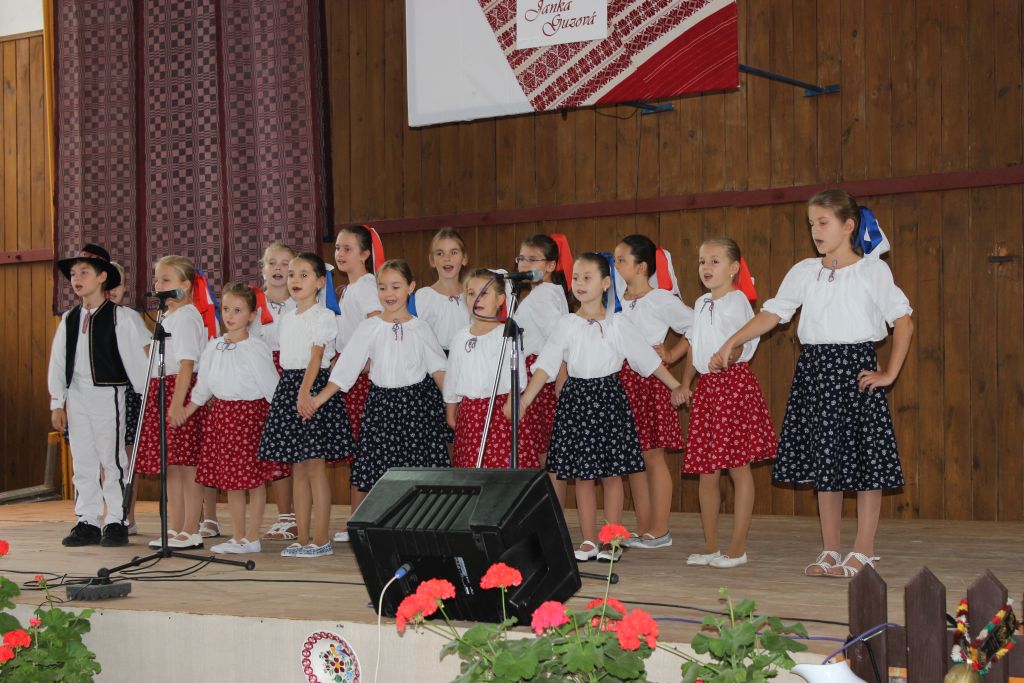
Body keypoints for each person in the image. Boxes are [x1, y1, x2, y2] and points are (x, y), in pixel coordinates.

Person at [712, 189, 913, 578]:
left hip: (856, 371)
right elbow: (774, 313)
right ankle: (831, 549)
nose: (815, 231)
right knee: (826, 462)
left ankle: (864, 550)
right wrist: (732, 340)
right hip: (816, 372)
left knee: (866, 462)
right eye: (811, 224)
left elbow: (903, 321)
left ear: (848, 226)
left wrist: (889, 373)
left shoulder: (872, 271)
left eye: (823, 222)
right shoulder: (804, 271)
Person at [511, 253, 683, 563]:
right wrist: (524, 399)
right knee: (583, 476)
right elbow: (546, 364)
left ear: (605, 283)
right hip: (576, 402)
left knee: (612, 475)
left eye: (587, 277)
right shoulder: (567, 324)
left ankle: (611, 540)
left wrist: (675, 385)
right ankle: (589, 540)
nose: (579, 283)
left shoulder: (618, 323)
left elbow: (646, 359)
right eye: (576, 277)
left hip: (608, 400)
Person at [314, 260, 450, 508]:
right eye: (382, 287)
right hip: (381, 408)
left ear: (410, 287)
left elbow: (439, 370)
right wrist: (318, 400)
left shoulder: (421, 328)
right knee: (378, 474)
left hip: (416, 409)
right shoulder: (370, 327)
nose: (389, 293)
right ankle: (373, 523)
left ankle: (417, 524)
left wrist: (453, 404)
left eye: (395, 287)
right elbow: (346, 369)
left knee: (418, 474)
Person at [675, 237, 776, 568]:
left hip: (733, 386)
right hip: (708, 389)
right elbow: (695, 345)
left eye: (715, 261)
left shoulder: (737, 301)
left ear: (734, 268)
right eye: (702, 261)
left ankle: (737, 547)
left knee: (738, 467)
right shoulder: (701, 302)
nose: (706, 267)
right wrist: (686, 382)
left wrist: (729, 356)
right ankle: (711, 544)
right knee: (707, 471)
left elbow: (747, 340)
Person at [47, 244, 148, 547]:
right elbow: (58, 362)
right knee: (83, 460)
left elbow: (137, 363)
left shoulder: (121, 317)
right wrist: (57, 401)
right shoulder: (70, 318)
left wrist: (147, 396)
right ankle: (87, 520)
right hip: (76, 396)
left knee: (112, 458)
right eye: (73, 274)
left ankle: (116, 520)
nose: (77, 279)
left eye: (84, 272)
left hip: (108, 394)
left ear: (103, 277)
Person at [257, 253, 354, 558]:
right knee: (297, 468)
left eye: (304, 275)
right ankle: (302, 537)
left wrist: (305, 393)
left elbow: (316, 357)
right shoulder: (287, 318)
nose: (295, 280)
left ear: (319, 282)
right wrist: (293, 392)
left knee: (315, 468)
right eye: (292, 275)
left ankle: (321, 538)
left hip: (311, 386)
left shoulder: (323, 316)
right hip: (290, 385)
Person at [186, 284, 282, 554]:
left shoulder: (255, 348)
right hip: (222, 417)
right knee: (232, 480)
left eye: (237, 310)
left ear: (252, 315)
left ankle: (252, 537)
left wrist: (282, 418)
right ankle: (238, 535)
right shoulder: (214, 346)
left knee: (253, 479)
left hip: (249, 417)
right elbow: (203, 386)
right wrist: (187, 410)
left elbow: (271, 387)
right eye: (226, 309)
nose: (230, 315)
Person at [612, 235, 692, 549]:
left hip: (650, 381)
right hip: (620, 379)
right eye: (615, 260)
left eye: (622, 260)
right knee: (634, 457)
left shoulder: (660, 299)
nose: (616, 265)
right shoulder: (615, 300)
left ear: (641, 267)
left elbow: (696, 325)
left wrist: (672, 353)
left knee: (653, 455)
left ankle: (660, 529)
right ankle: (643, 527)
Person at [135, 256, 209, 550]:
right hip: (162, 389)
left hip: (179, 390)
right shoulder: (167, 316)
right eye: (156, 279)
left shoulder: (187, 316)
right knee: (173, 466)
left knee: (188, 466)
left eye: (166, 280)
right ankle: (175, 528)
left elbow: (187, 363)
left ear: (185, 285)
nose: (158, 285)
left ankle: (191, 529)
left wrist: (178, 405)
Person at [445, 269, 539, 469]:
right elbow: (452, 376)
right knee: (472, 468)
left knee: (500, 468)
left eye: (484, 293)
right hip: (470, 414)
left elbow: (517, 373)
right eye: (471, 293)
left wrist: (512, 400)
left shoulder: (506, 334)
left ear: (500, 300)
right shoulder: (460, 337)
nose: (477, 298)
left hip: (499, 411)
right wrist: (451, 409)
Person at [512, 234, 571, 502]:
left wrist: (562, 373)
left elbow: (558, 339)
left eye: (533, 259)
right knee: (547, 454)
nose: (525, 264)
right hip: (540, 376)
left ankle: (546, 513)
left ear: (550, 265)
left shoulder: (543, 295)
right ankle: (551, 514)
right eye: (522, 258)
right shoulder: (546, 292)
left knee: (541, 454)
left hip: (538, 378)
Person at [252, 241, 299, 543]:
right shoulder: (252, 303)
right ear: (263, 268)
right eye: (272, 263)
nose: (278, 269)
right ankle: (284, 514)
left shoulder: (303, 303)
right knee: (274, 449)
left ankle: (296, 515)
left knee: (297, 449)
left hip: (294, 374)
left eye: (285, 264)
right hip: (261, 375)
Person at [106, 260, 149, 536]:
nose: (112, 289)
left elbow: (146, 353)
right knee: (104, 459)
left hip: (129, 392)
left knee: (127, 458)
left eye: (117, 283)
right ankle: (108, 513)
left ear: (125, 288)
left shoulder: (129, 317)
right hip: (97, 395)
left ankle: (126, 516)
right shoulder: (83, 319)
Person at [413, 228, 470, 354]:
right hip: (435, 360)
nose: (447, 258)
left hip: (467, 358)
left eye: (453, 252)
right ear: (432, 260)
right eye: (440, 253)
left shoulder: (472, 295)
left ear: (464, 258)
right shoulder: (424, 296)